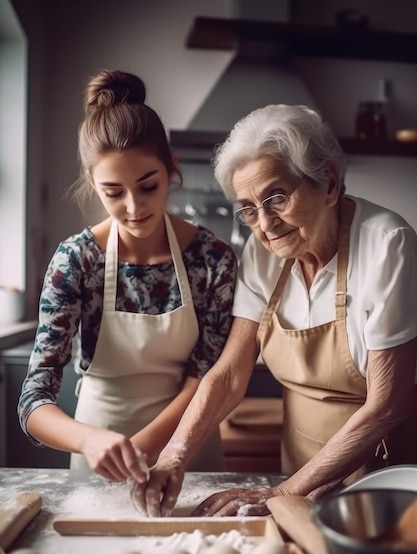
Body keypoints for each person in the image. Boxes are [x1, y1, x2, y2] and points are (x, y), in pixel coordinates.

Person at [131, 103, 417, 517]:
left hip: (378, 475)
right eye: (248, 208)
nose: (264, 223)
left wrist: (282, 495)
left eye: (276, 197)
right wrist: (174, 455)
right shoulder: (262, 254)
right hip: (299, 467)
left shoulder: (388, 244)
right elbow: (230, 374)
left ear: (330, 185)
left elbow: (388, 404)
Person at [18, 69, 237, 481]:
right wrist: (88, 441)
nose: (134, 207)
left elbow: (206, 377)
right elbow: (33, 401)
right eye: (114, 193)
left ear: (171, 169)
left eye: (148, 186)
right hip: (100, 460)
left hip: (188, 449)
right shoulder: (77, 261)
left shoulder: (212, 259)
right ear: (93, 184)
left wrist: (148, 447)